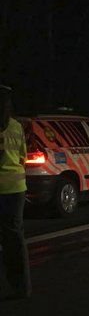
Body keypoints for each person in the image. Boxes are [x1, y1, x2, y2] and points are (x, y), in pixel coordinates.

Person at [0, 85, 30, 299]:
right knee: (15, 240)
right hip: (16, 189)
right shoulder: (16, 127)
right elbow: (22, 157)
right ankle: (22, 288)